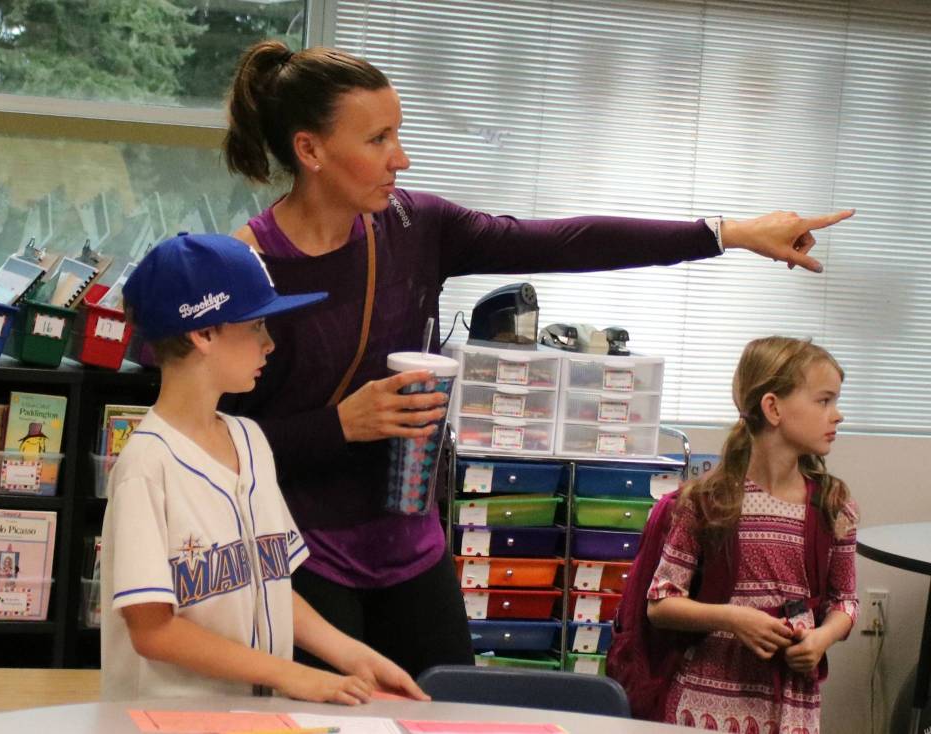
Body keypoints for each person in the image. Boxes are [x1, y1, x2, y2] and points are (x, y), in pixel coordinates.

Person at [219, 39, 856, 677]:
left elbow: (565, 241)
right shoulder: (245, 268)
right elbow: (209, 446)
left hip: (412, 546)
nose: (401, 159)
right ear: (311, 150)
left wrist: (728, 233)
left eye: (399, 134)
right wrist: (340, 425)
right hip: (300, 554)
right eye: (379, 139)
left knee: (452, 720)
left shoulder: (416, 228)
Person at [99, 232, 428, 703]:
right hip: (166, 721)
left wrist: (352, 654)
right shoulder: (146, 466)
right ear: (204, 332)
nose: (269, 343)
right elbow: (153, 631)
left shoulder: (250, 441)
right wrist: (289, 674)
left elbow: (268, 584)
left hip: (248, 717)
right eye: (256, 326)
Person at [646, 336, 858, 731]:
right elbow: (660, 602)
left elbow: (845, 602)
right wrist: (733, 618)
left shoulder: (834, 505)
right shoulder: (708, 501)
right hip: (703, 707)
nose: (838, 414)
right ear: (773, 408)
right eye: (824, 400)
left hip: (791, 709)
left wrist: (822, 639)